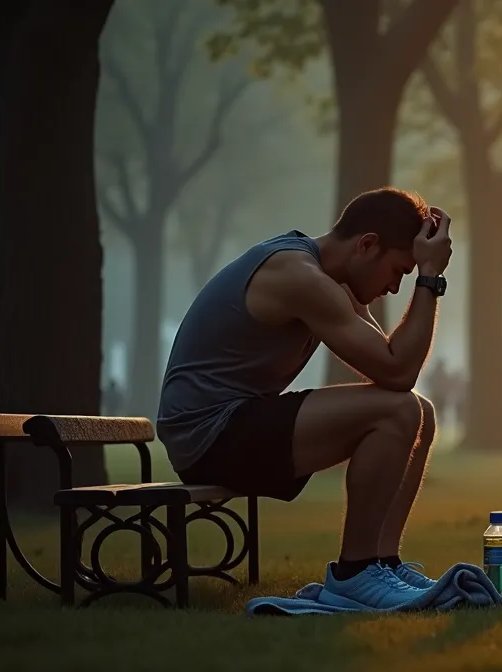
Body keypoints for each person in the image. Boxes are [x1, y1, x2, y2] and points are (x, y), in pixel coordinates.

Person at [157, 187, 453, 610]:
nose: (393, 287)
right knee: (399, 410)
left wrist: (424, 273)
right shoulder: (298, 275)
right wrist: (429, 277)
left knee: (418, 412)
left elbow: (394, 364)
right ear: (366, 245)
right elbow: (398, 372)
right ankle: (356, 575)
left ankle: (382, 564)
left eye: (405, 277)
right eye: (397, 271)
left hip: (234, 423)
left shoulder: (332, 279)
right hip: (207, 435)